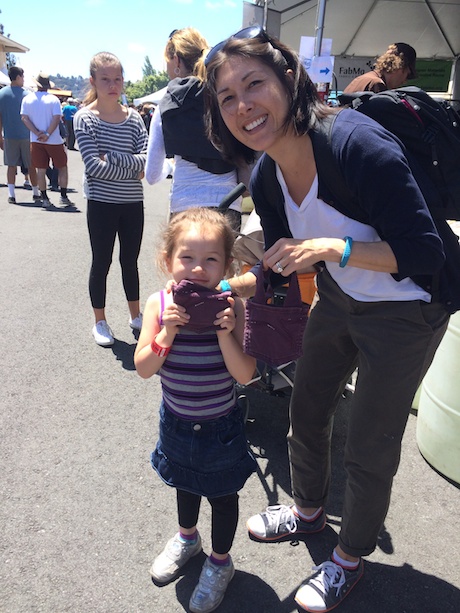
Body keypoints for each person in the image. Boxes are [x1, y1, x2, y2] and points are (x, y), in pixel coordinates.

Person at [204, 26, 458, 612]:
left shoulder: (356, 146)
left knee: (369, 441)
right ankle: (307, 511)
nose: (244, 105)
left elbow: (424, 253)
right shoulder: (266, 175)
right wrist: (227, 288)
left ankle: (349, 558)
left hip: (410, 309)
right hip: (341, 299)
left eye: (254, 84)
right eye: (226, 96)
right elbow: (283, 267)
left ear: (288, 78)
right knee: (307, 405)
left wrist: (331, 249)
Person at [134, 207, 256, 613]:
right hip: (177, 423)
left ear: (228, 265)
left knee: (222, 496)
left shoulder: (232, 307)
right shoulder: (159, 303)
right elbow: (144, 368)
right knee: (185, 485)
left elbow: (244, 374)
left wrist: (225, 333)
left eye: (211, 260)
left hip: (221, 425)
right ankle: (188, 538)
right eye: (187, 257)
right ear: (167, 260)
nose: (198, 269)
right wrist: (168, 331)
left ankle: (221, 562)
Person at [74, 52, 148, 347]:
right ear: (93, 81)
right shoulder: (84, 118)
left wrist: (114, 157)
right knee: (101, 262)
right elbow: (92, 166)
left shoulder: (135, 120)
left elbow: (144, 164)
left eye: (117, 78)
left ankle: (135, 315)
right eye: (105, 79)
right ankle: (100, 321)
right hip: (101, 204)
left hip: (132, 203)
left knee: (130, 262)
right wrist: (130, 167)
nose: (112, 85)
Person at [145, 27, 244, 231]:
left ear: (177, 61)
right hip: (228, 203)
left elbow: (152, 175)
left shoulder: (168, 105)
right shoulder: (225, 96)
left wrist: (171, 166)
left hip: (185, 204)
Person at [20, 72, 73, 209]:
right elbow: (56, 118)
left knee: (41, 169)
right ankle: (63, 196)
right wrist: (48, 133)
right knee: (62, 167)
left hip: (36, 139)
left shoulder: (27, 99)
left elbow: (24, 118)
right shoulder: (53, 99)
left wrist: (37, 132)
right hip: (53, 140)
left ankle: (44, 197)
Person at [0, 66, 40, 204]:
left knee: (11, 166)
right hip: (27, 136)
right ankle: (36, 193)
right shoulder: (27, 95)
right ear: (17, 77)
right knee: (31, 165)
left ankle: (11, 194)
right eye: (22, 77)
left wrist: (0, 136)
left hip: (9, 135)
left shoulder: (1, 94)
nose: (23, 80)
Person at [343, 42, 417, 93]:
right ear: (400, 66)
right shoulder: (376, 84)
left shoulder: (363, 79)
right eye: (407, 75)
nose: (404, 81)